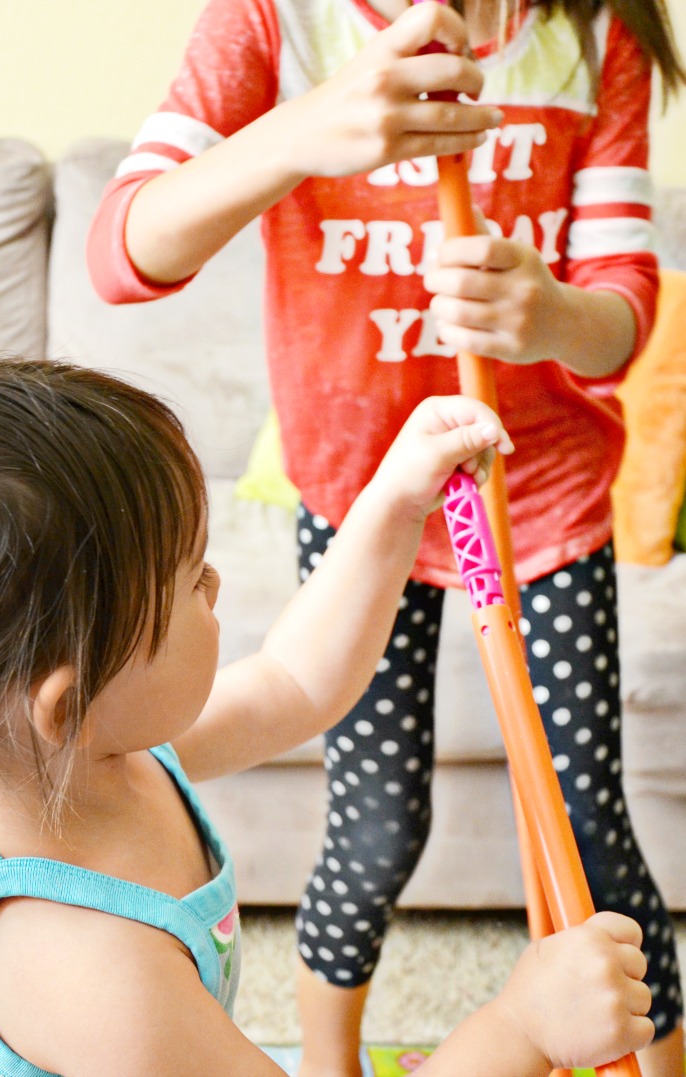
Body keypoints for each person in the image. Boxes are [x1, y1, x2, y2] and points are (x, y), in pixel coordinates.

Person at [0, 356, 655, 1077]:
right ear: (66, 699)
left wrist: (392, 504)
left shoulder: (66, 755)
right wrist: (520, 1026)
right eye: (187, 581)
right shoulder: (87, 966)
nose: (215, 586)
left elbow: (295, 681)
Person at [85, 0, 685, 1073]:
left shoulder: (599, 33)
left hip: (538, 495)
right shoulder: (277, 19)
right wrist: (301, 130)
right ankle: (332, 1066)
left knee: (587, 829)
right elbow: (121, 252)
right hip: (361, 501)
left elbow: (620, 315)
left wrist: (548, 315)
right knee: (375, 827)